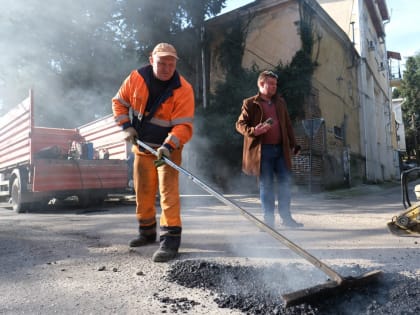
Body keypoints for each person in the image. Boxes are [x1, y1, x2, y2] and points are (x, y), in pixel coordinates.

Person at [112, 43, 195, 262]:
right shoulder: (136, 78)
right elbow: (119, 103)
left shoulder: (183, 89)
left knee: (168, 194)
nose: (167, 68)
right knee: (144, 192)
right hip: (142, 148)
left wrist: (168, 147)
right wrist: (126, 127)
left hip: (167, 152)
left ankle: (170, 241)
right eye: (162, 63)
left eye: (171, 63)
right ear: (151, 60)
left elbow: (184, 126)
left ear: (175, 63)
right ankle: (146, 232)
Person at [235, 70, 302, 228]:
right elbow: (239, 125)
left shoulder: (280, 102)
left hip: (281, 150)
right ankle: (268, 222)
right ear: (261, 84)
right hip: (262, 151)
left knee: (285, 183)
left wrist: (293, 144)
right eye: (270, 84)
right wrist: (254, 131)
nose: (274, 87)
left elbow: (287, 125)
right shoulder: (250, 103)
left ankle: (287, 219)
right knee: (266, 185)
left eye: (275, 84)